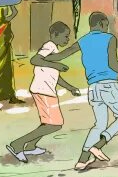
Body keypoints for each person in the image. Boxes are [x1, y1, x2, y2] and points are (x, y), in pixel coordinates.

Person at [44, 11, 118, 171]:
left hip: (93, 88)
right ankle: (98, 145)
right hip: (109, 85)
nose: (107, 28)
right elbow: (113, 64)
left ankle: (82, 159)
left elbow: (62, 55)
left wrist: (43, 59)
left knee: (99, 124)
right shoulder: (109, 39)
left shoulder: (84, 40)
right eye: (106, 25)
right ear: (100, 24)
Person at [7, 22, 81, 163]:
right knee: (55, 124)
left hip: (46, 89)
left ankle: (30, 146)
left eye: (68, 37)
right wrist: (56, 65)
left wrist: (70, 87)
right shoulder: (49, 46)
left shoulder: (54, 50)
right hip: (43, 90)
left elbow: (55, 76)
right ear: (55, 35)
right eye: (65, 36)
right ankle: (17, 144)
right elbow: (34, 60)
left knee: (48, 122)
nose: (67, 39)